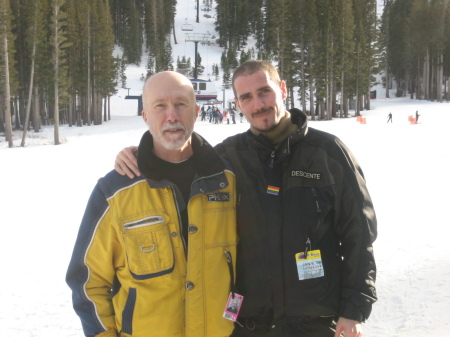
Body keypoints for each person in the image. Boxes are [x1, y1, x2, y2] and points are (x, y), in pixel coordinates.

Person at [114, 61, 377, 337]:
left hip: (316, 322)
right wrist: (137, 155)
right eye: (247, 97)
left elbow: (359, 236)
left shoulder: (328, 154)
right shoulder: (226, 158)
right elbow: (176, 165)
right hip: (249, 324)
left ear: (283, 89)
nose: (258, 104)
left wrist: (354, 309)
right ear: (238, 103)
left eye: (265, 92)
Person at [66, 71, 238, 337]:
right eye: (160, 106)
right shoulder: (115, 191)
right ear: (145, 116)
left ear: (195, 111)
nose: (172, 116)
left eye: (181, 104)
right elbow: (88, 281)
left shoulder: (227, 181)